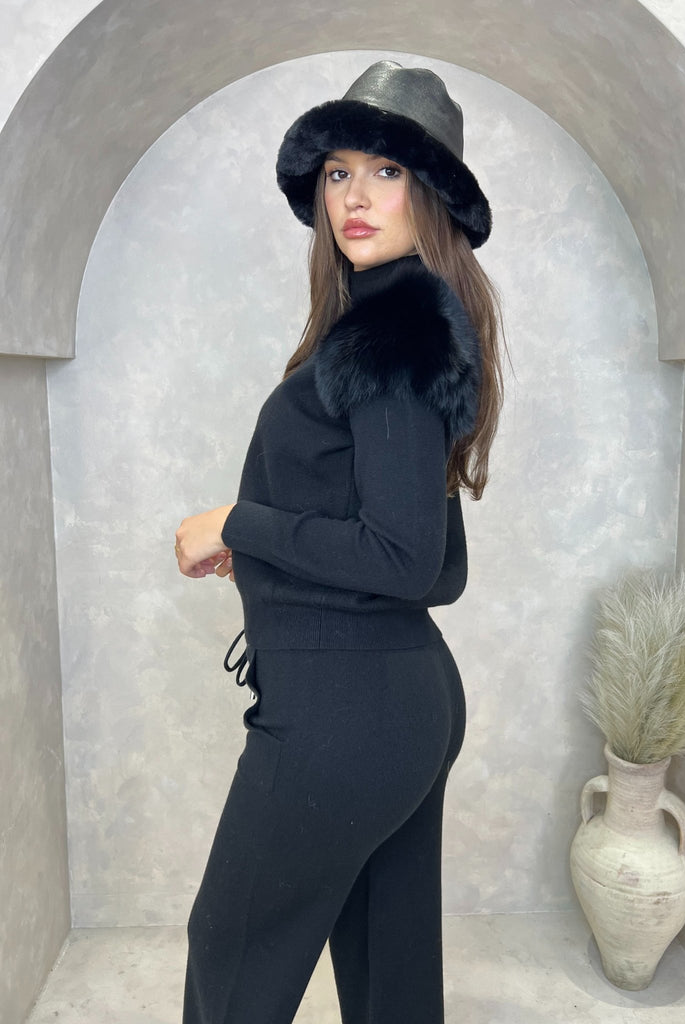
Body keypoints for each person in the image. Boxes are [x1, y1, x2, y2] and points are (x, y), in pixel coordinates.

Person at [174, 59, 504, 1024]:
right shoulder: (392, 319)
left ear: (430, 192)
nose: (355, 197)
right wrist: (268, 552)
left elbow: (404, 558)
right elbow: (426, 553)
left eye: (386, 172)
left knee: (231, 953)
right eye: (339, 172)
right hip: (391, 700)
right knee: (389, 976)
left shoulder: (393, 331)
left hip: (345, 711)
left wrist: (238, 523)